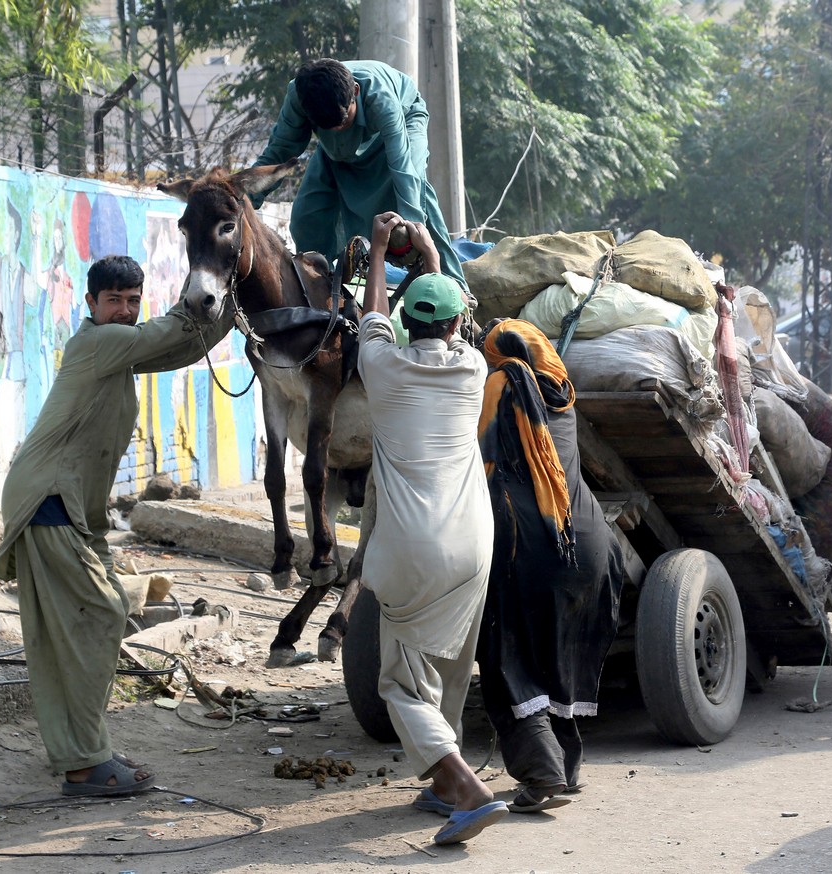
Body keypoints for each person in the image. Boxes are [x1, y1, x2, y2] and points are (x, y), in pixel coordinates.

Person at [0, 255, 234, 794]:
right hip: (48, 500)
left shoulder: (118, 352)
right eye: (113, 300)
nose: (123, 310)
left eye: (132, 300)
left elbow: (182, 346)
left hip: (73, 508)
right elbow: (170, 331)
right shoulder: (96, 345)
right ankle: (83, 765)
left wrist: (234, 303)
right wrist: (217, 290)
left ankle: (84, 749)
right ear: (92, 305)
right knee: (98, 614)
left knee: (91, 620)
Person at [356, 211, 506, 845]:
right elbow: (447, 316)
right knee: (450, 664)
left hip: (417, 548)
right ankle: (441, 786)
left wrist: (379, 254)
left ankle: (469, 791)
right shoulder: (473, 370)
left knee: (401, 681)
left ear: (405, 325)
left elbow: (375, 315)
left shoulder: (381, 368)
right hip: (475, 541)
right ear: (454, 325)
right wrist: (426, 252)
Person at [476, 318, 624, 813]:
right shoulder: (564, 396)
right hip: (590, 545)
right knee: (558, 658)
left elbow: (479, 461)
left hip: (529, 546)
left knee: (507, 658)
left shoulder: (500, 386)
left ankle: (542, 777)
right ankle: (568, 768)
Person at [252, 58, 470, 296]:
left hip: (405, 121)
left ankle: (455, 288)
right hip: (336, 151)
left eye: (344, 121)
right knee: (306, 217)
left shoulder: (381, 98)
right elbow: (278, 153)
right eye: (328, 127)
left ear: (355, 91)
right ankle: (318, 294)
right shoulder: (300, 95)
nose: (338, 129)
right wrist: (244, 199)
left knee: (415, 192)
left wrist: (412, 230)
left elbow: (403, 168)